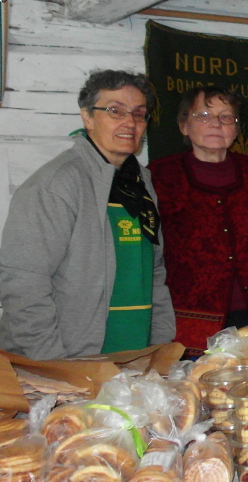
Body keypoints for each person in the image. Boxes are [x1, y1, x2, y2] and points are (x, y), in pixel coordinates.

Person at [0, 70, 175, 360]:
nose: (129, 122)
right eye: (114, 111)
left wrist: (159, 346)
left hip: (134, 360)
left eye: (139, 114)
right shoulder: (57, 184)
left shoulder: (141, 183)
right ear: (87, 117)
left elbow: (153, 270)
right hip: (72, 363)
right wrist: (55, 366)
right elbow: (23, 284)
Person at [148, 87, 248, 349]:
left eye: (226, 117)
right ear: (183, 126)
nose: (215, 124)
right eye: (203, 115)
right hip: (185, 321)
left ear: (236, 129)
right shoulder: (160, 177)